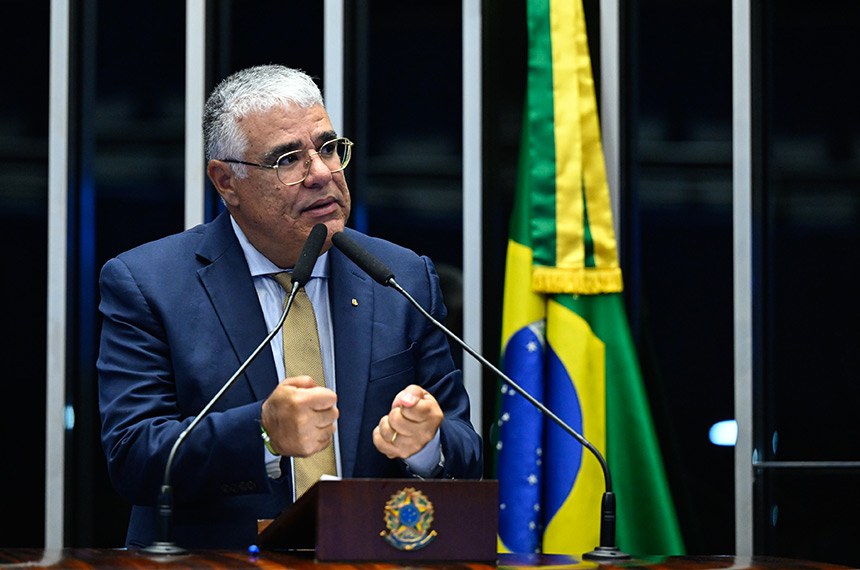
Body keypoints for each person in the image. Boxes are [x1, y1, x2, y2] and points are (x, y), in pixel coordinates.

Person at [97, 64, 483, 550]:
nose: (321, 173)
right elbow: (133, 459)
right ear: (226, 181)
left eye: (327, 148)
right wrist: (261, 433)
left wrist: (428, 444)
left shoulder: (400, 276)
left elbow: (466, 452)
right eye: (287, 159)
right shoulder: (150, 283)